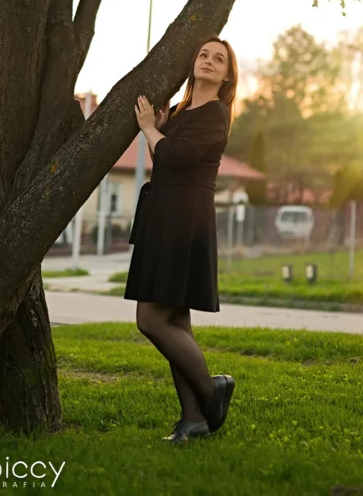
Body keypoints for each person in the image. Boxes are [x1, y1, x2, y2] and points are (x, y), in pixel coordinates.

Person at [124, 36, 238, 445]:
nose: (208, 61)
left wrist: (151, 130)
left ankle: (212, 392)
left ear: (227, 75)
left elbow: (174, 157)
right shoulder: (179, 111)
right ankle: (193, 419)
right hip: (164, 215)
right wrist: (161, 125)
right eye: (203, 54)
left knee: (150, 319)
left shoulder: (216, 113)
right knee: (175, 320)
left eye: (218, 59)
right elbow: (167, 153)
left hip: (184, 218)